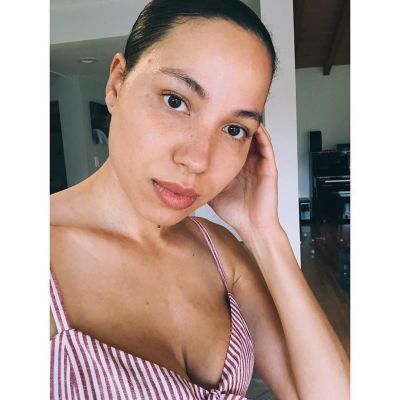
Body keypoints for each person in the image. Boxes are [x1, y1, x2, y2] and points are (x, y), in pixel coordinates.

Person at [50, 0, 350, 399]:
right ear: (117, 84)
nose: (197, 160)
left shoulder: (220, 252)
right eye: (176, 101)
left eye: (234, 129)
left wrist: (264, 232)